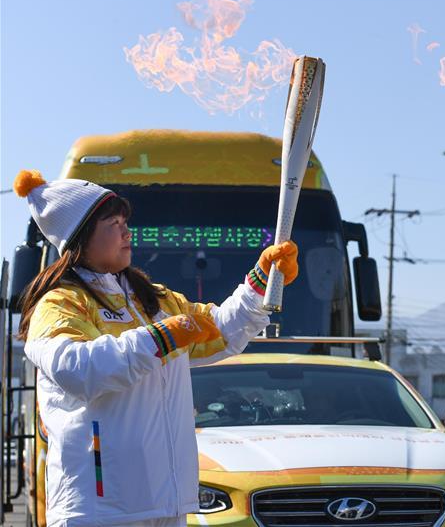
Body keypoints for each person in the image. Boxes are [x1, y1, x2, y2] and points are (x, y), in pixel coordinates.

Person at [14, 170, 299, 527]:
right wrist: (160, 338)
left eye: (125, 221)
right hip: (97, 508)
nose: (125, 231)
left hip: (165, 503)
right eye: (112, 223)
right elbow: (79, 371)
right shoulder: (61, 304)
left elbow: (220, 330)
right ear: (80, 239)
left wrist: (261, 282)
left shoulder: (153, 299)